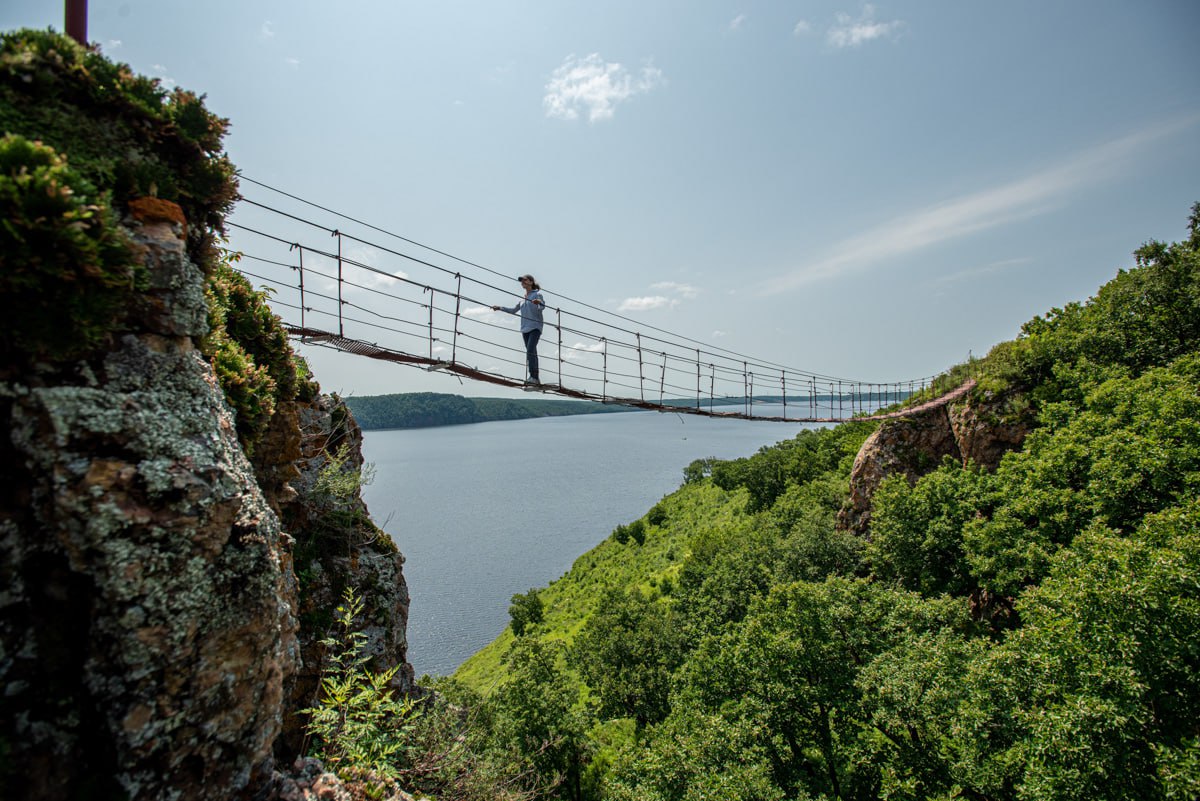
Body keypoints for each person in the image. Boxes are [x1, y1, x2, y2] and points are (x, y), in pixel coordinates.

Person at [492, 274, 545, 386]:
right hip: (525, 329)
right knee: (531, 352)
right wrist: (500, 308)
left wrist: (538, 303)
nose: (522, 282)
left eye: (525, 280)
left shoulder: (537, 294)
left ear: (531, 282)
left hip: (535, 327)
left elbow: (542, 306)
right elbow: (513, 310)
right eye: (521, 281)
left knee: (530, 350)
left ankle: (534, 377)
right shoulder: (522, 300)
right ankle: (534, 378)